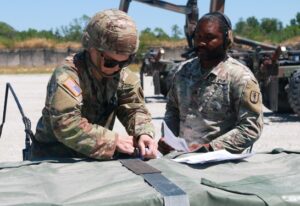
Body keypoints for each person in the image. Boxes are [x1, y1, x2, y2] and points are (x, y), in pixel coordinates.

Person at [30, 9, 157, 160]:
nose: (117, 68)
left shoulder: (123, 75)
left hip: (93, 156)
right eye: (110, 62)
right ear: (91, 49)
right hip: (54, 157)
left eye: (125, 61)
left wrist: (143, 133)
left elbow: (134, 108)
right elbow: (67, 124)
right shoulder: (68, 76)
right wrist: (113, 141)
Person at [160, 12, 263, 154]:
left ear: (226, 39)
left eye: (209, 38)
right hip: (182, 158)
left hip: (219, 163)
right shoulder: (183, 71)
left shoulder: (240, 77)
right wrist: (168, 138)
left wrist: (210, 148)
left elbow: (251, 127)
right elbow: (172, 110)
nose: (201, 43)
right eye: (198, 37)